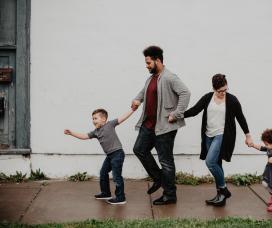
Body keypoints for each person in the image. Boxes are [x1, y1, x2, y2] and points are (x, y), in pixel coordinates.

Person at [131, 46, 190, 205]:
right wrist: (137, 99)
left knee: (166, 161)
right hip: (148, 125)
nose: (147, 65)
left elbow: (185, 93)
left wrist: (176, 114)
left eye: (149, 62)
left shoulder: (170, 77)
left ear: (158, 60)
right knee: (139, 149)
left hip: (164, 127)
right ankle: (158, 178)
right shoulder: (151, 78)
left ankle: (170, 195)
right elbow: (144, 91)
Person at [184, 74, 253, 206]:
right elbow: (194, 111)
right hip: (208, 135)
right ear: (214, 88)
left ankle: (223, 188)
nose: (222, 93)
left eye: (225, 90)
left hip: (222, 135)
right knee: (217, 164)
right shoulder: (208, 97)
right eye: (219, 91)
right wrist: (178, 115)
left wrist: (248, 135)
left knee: (210, 162)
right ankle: (220, 196)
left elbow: (241, 118)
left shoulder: (232, 100)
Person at [64, 108, 134, 205]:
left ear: (104, 119)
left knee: (116, 176)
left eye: (95, 118)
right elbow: (84, 136)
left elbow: (122, 118)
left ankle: (120, 197)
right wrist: (71, 133)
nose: (93, 121)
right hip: (109, 156)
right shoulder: (96, 132)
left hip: (117, 154)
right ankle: (106, 193)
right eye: (92, 119)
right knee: (103, 172)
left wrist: (133, 109)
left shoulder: (110, 124)